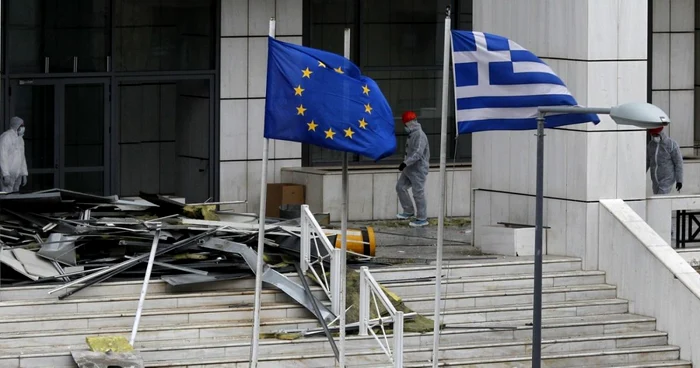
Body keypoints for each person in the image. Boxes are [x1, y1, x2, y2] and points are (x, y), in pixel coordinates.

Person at [396, 111, 430, 227]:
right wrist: (406, 164)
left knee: (418, 193)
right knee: (400, 187)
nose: (404, 127)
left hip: (418, 169)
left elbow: (418, 153)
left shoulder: (420, 135)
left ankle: (422, 218)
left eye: (405, 124)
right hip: (409, 168)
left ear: (410, 123)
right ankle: (408, 211)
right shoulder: (412, 134)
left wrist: (405, 163)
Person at [647, 126, 683, 195]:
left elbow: (678, 163)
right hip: (655, 179)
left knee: (661, 198)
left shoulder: (671, 144)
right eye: (653, 135)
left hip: (667, 178)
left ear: (660, 133)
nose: (654, 136)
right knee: (657, 198)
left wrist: (679, 180)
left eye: (656, 134)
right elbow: (647, 161)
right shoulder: (651, 145)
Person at [0, 116, 28, 193]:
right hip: (8, 175)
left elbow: (22, 157)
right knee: (6, 197)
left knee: (15, 196)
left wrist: (24, 174)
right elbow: (2, 156)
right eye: (21, 126)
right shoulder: (6, 137)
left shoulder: (20, 139)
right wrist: (5, 174)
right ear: (16, 125)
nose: (23, 127)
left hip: (17, 174)